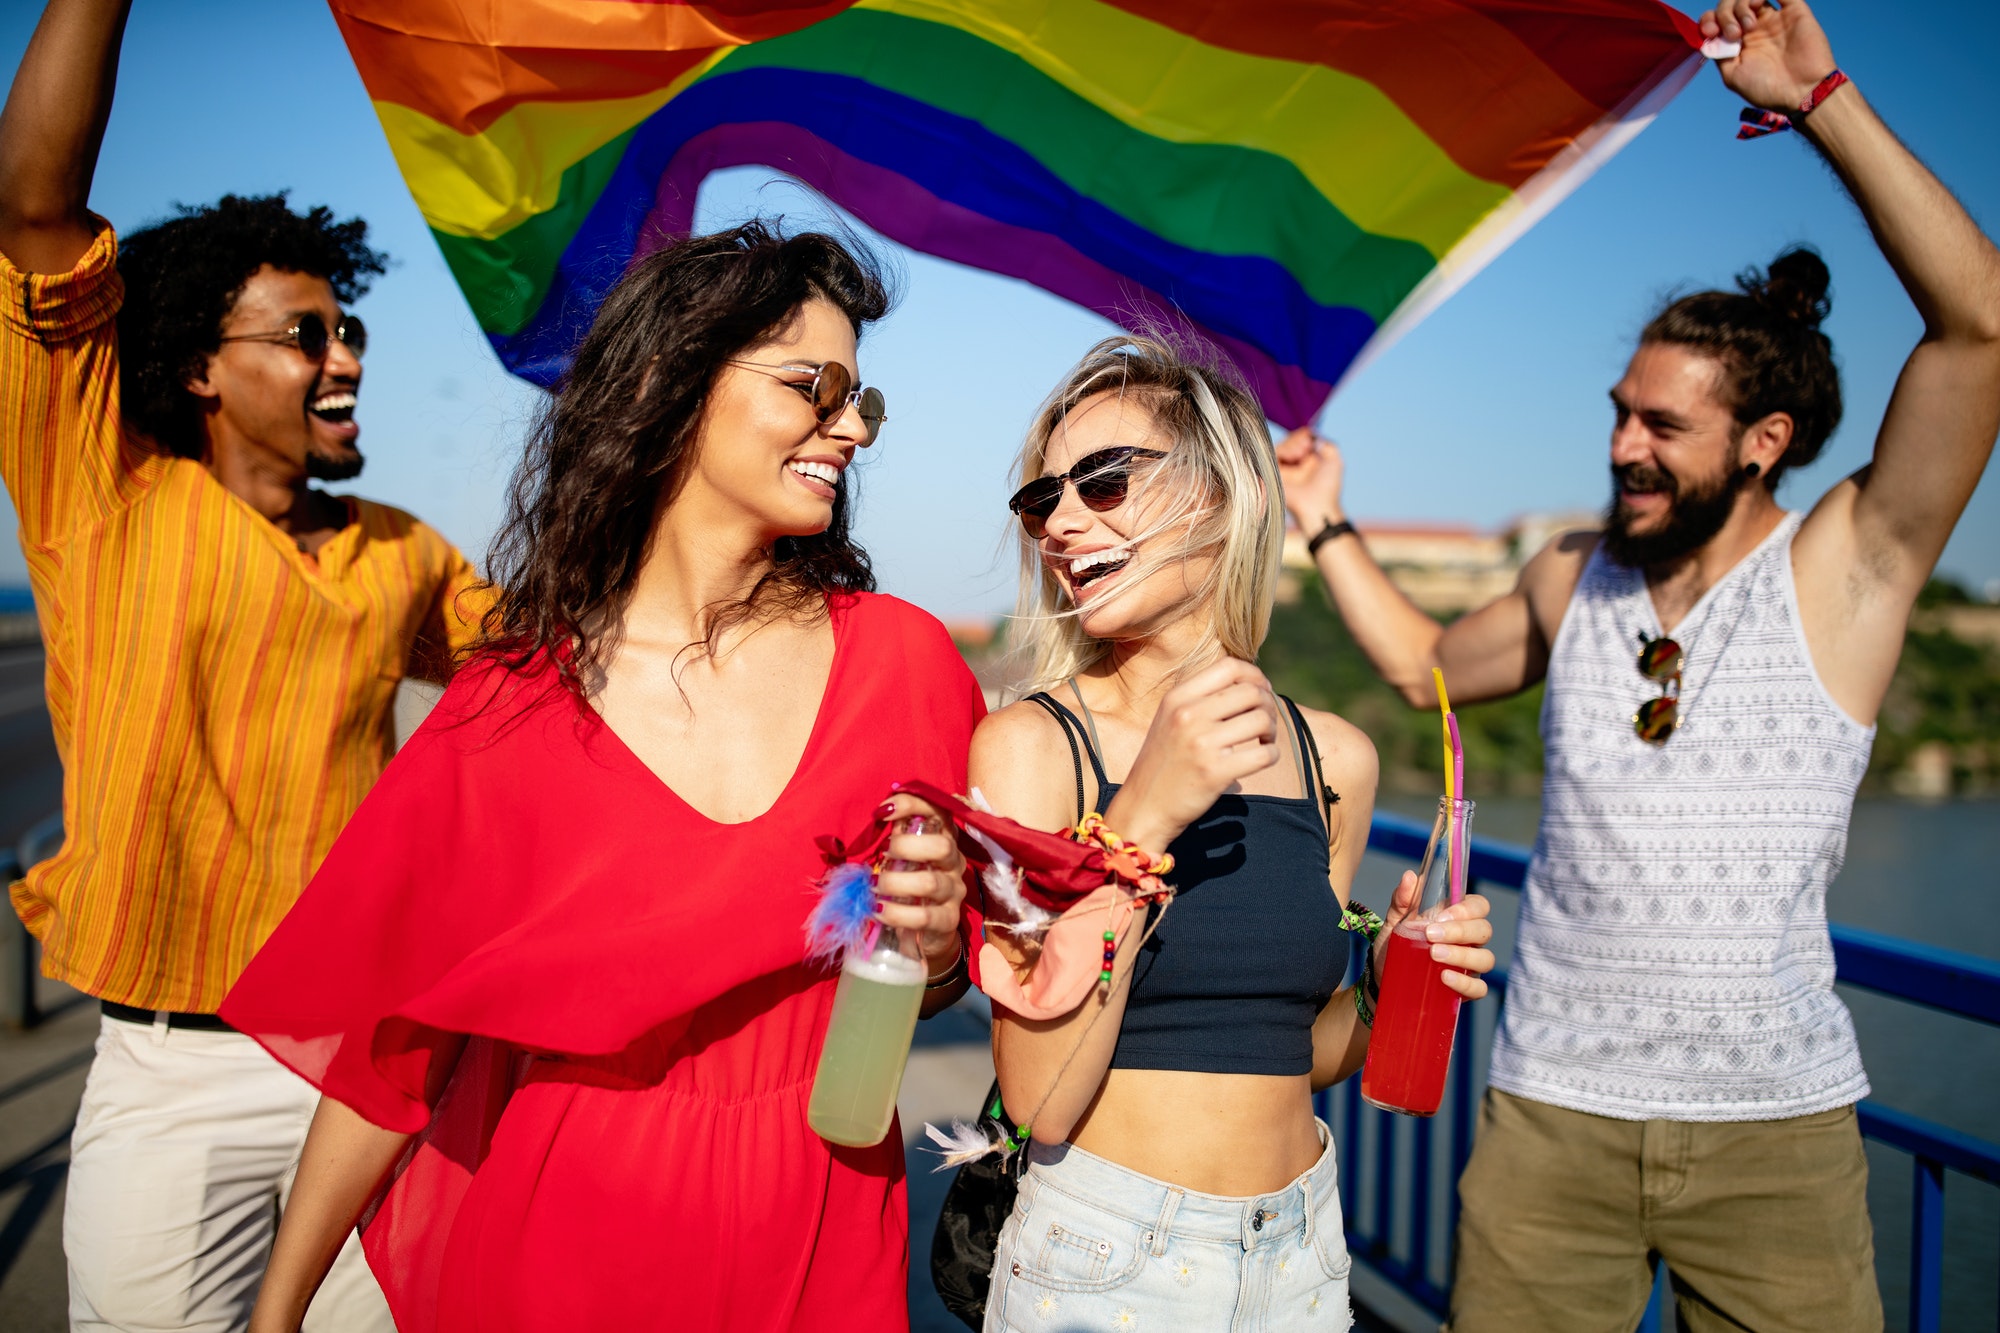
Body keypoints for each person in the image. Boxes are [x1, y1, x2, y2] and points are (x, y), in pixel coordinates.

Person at [1275, 3, 2000, 1329]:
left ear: (1766, 441)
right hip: (1551, 1120)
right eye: (1618, 412)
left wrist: (1821, 95)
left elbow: (1981, 327)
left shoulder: (1851, 566)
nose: (1621, 447)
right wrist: (1325, 517)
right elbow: (1425, 665)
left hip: (1773, 1139)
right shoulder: (1573, 574)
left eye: (1663, 425)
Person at [220, 221, 985, 1333]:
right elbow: (397, 1051)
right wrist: (276, 1310)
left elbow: (936, 983)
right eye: (814, 386)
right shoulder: (512, 703)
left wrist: (942, 940)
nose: (851, 426)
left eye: (863, 397)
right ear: (669, 387)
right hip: (560, 1235)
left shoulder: (904, 662)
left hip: (818, 1217)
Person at [0, 2, 491, 1327]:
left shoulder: (406, 553)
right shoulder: (99, 491)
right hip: (173, 1083)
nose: (346, 358)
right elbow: (34, 207)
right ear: (197, 372)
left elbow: (567, 681)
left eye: (349, 332)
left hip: (371, 1067)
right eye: (305, 336)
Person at [968, 336, 1496, 1330]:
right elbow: (1036, 1097)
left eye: (1103, 481)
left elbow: (1291, 1047)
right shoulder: (1033, 749)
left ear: (1222, 492)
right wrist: (1140, 820)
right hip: (1108, 1260)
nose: (1062, 523)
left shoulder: (1331, 757)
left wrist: (1386, 987)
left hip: (1299, 1253)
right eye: (1042, 501)